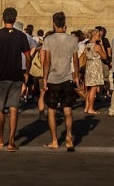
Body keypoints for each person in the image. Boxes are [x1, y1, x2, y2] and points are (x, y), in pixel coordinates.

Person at [0, 7, 30, 152]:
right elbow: (28, 55)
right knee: (14, 108)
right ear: (15, 19)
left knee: (0, 109)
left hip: (1, 76)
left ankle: (0, 139)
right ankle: (11, 142)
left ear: (3, 18)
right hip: (16, 75)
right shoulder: (21, 36)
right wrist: (27, 73)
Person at [38, 11, 79, 150]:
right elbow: (76, 60)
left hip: (53, 79)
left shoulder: (49, 40)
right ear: (64, 24)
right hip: (67, 78)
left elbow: (47, 61)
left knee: (52, 110)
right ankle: (69, 137)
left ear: (54, 24)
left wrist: (44, 78)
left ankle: (54, 141)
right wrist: (77, 76)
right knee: (67, 110)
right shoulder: (73, 40)